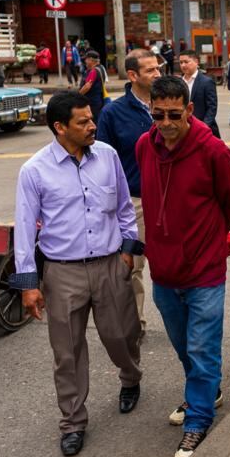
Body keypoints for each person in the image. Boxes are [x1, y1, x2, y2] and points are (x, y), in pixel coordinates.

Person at [12, 92, 143, 457]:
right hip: (62, 273)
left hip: (108, 265)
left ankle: (131, 377)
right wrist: (28, 285)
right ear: (60, 127)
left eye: (91, 119)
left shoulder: (108, 156)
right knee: (67, 353)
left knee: (122, 335)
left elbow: (123, 206)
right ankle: (73, 422)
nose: (92, 126)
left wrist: (129, 252)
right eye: (83, 122)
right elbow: (24, 230)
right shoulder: (34, 171)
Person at [135, 76, 230, 457]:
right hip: (164, 270)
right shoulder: (144, 146)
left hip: (204, 268)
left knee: (201, 345)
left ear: (190, 111)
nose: (165, 123)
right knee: (183, 344)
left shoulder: (213, 151)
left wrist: (209, 240)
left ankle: (198, 418)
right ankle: (206, 387)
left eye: (174, 115)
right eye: (158, 114)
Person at [96, 48, 164, 339]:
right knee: (131, 267)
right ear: (133, 75)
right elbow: (100, 160)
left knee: (177, 265)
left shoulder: (169, 104)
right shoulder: (113, 112)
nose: (158, 74)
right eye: (150, 70)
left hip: (171, 200)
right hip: (135, 203)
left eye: (158, 68)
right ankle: (135, 325)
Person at [179, 49, 220, 138]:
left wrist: (203, 127)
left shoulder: (206, 82)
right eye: (181, 62)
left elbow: (212, 107)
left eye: (186, 62)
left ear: (196, 62)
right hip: (182, 131)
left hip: (203, 130)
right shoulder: (178, 82)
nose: (183, 65)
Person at [78, 50, 107, 120]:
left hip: (93, 102)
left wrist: (78, 95)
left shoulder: (93, 71)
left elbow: (87, 86)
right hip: (98, 100)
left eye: (86, 59)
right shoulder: (101, 68)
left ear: (91, 60)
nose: (85, 61)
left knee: (93, 122)